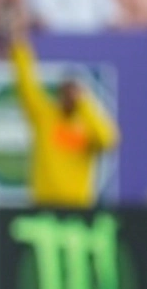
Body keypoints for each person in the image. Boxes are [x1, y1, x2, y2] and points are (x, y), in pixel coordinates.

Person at [7, 16, 119, 209]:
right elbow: (26, 84)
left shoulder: (87, 122)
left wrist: (84, 105)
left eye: (73, 91)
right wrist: (20, 46)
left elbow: (108, 140)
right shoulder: (45, 115)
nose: (69, 96)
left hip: (77, 208)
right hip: (43, 205)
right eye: (66, 91)